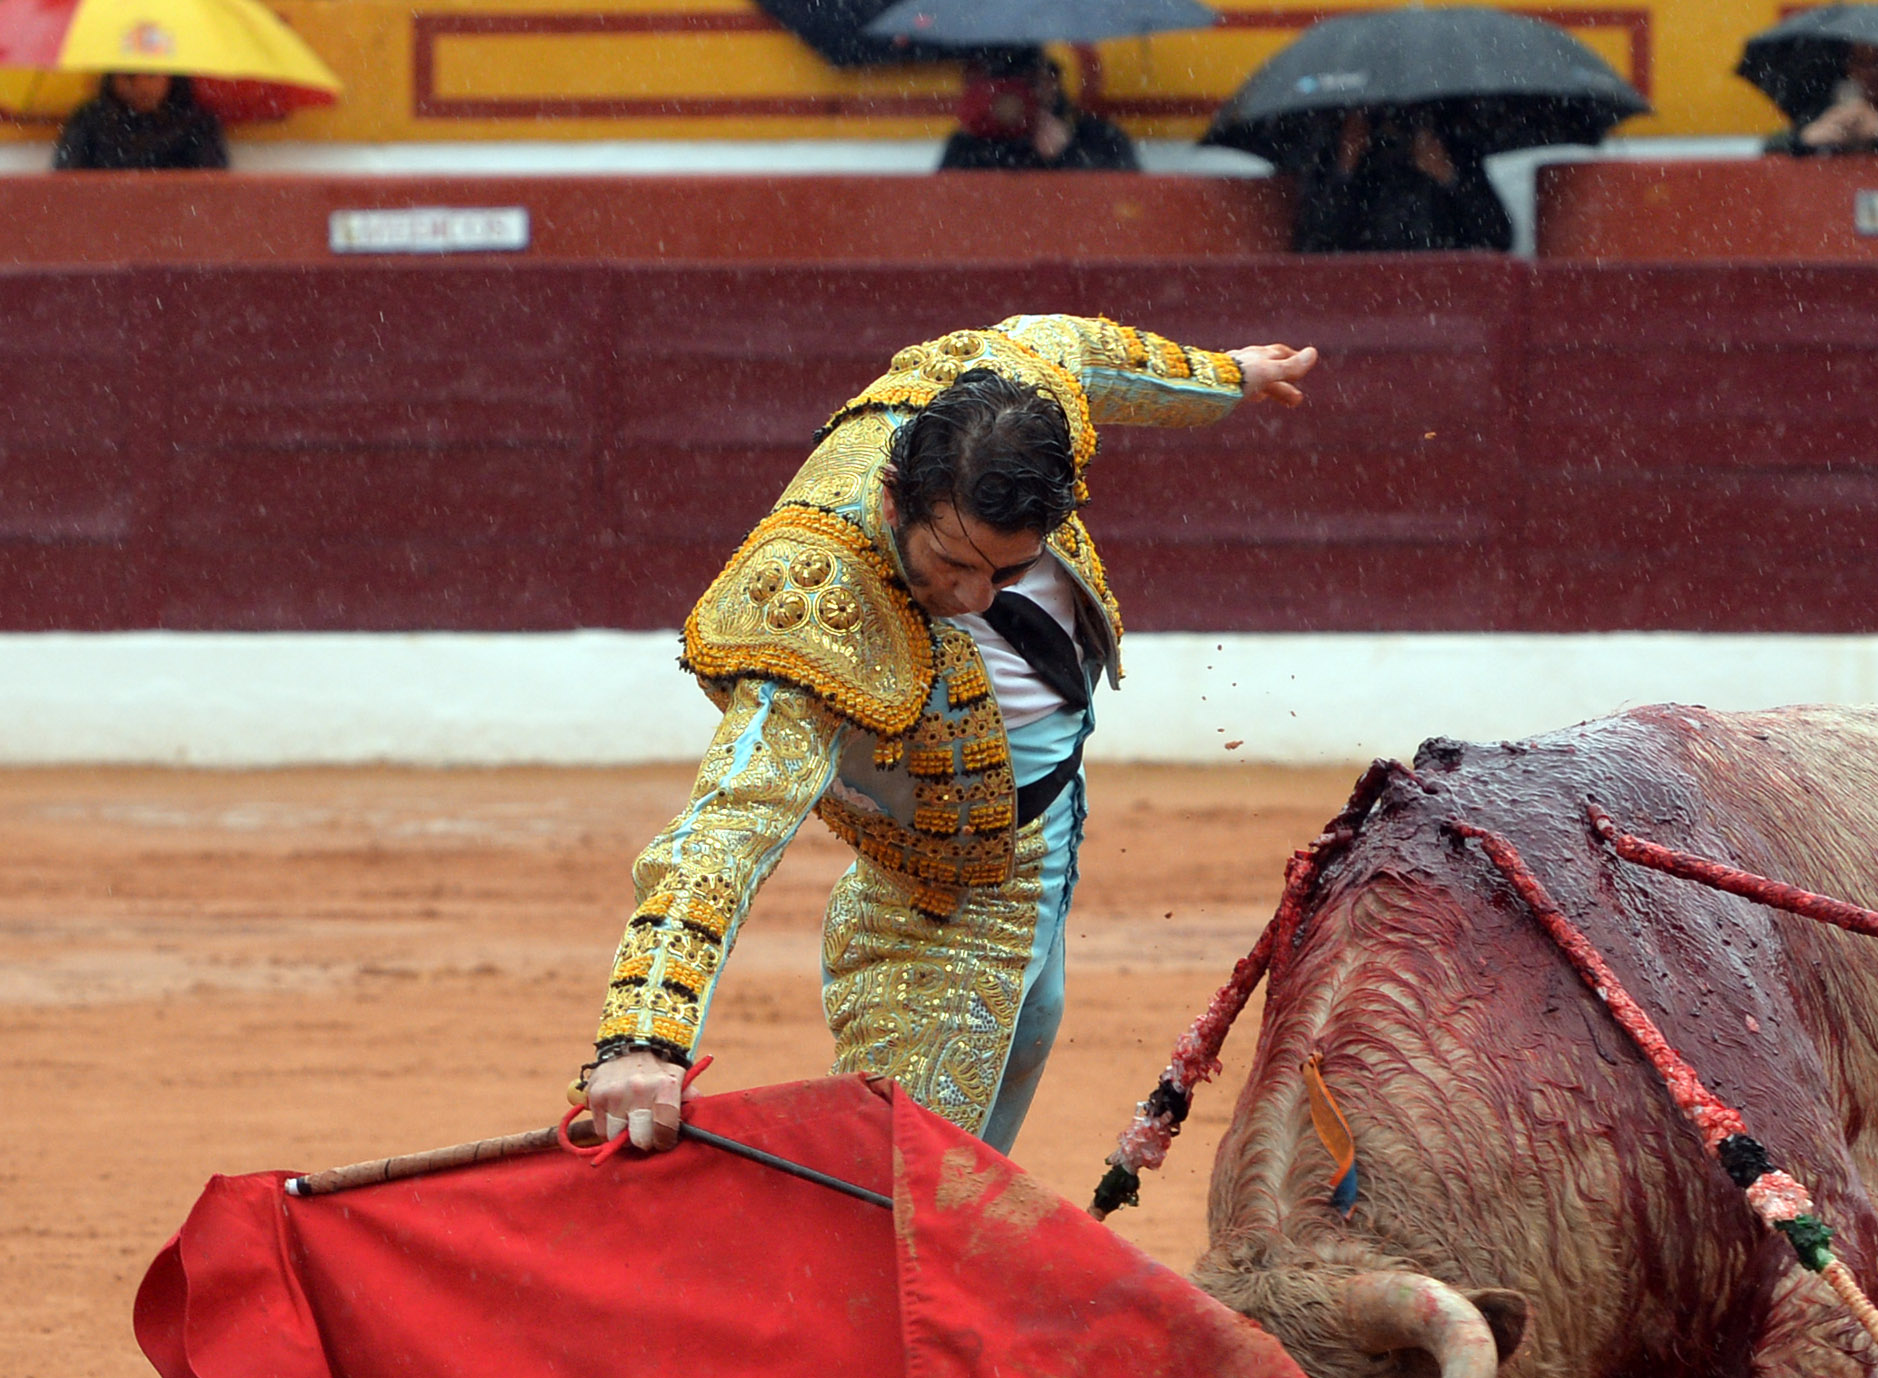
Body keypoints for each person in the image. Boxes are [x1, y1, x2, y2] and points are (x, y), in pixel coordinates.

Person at [585, 316, 1316, 1158]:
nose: (973, 597)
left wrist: (1227, 377)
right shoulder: (814, 600)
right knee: (908, 1185)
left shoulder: (1010, 379)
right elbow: (724, 827)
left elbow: (1094, 353)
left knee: (1022, 1042)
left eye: (1006, 573)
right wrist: (641, 1037)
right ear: (895, 499)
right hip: (943, 896)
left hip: (1045, 828)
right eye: (952, 563)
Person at [1291, 106, 1511, 252]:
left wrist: (1449, 177)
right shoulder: (1337, 155)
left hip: (1441, 289)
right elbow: (1313, 242)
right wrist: (1345, 168)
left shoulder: (1453, 151)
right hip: (1361, 293)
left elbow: (1497, 236)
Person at [938, 55, 1137, 172]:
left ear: (1054, 83)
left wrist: (1067, 154)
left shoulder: (1098, 135)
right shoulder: (969, 145)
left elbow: (1126, 196)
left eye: (1038, 82)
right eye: (1018, 86)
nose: (1030, 95)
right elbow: (948, 204)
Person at [53, 73, 228, 171]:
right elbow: (67, 177)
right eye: (129, 76)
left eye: (151, 75)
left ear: (173, 78)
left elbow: (210, 186)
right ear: (112, 79)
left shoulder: (197, 122)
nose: (141, 86)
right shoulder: (89, 118)